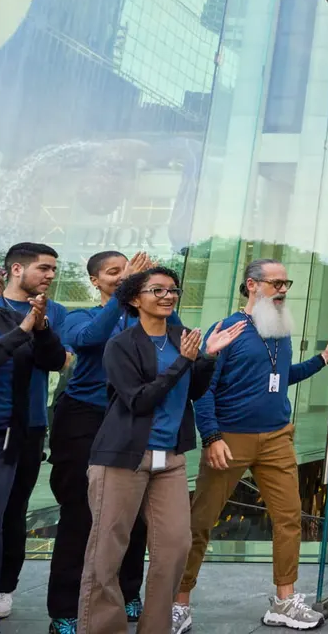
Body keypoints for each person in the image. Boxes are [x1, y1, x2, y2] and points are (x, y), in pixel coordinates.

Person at [174, 259, 328, 632]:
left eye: (286, 284)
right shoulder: (227, 329)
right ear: (252, 284)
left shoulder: (279, 331)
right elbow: (203, 389)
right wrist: (211, 436)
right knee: (200, 522)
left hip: (277, 437)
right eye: (275, 283)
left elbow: (280, 377)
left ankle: (284, 601)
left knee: (289, 519)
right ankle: (178, 602)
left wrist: (322, 360)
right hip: (230, 438)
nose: (282, 290)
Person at [77, 267, 244, 634]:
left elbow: (194, 391)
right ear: (136, 299)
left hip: (170, 458)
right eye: (158, 290)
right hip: (122, 458)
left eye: (173, 290)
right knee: (107, 553)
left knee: (175, 547)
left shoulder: (181, 337)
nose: (169, 296)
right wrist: (185, 361)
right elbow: (139, 400)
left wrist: (206, 358)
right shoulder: (121, 345)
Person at [46, 251, 156, 634]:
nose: (123, 276)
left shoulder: (145, 316)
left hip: (132, 418)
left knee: (133, 512)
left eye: (129, 271)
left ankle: (128, 591)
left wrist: (152, 293)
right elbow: (88, 340)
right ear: (95, 281)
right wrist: (125, 290)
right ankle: (65, 609)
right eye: (114, 272)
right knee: (80, 514)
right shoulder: (82, 316)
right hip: (84, 418)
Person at [0, 251, 65, 634]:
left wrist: (41, 328)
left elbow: (54, 361)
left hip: (3, 442)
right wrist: (21, 333)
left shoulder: (12, 320)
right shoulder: (13, 328)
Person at [0, 244, 70, 620]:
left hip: (29, 424)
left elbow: (62, 361)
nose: (51, 275)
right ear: (16, 269)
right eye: (44, 268)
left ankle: (3, 587)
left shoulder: (56, 312)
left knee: (13, 509)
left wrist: (41, 327)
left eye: (54, 269)